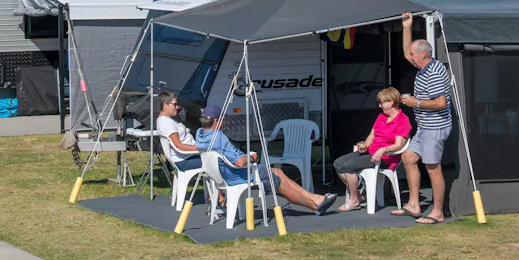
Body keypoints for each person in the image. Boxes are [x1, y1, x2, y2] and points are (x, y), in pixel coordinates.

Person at [194, 104, 337, 215]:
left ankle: (316, 198)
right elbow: (239, 162)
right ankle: (314, 206)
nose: (224, 122)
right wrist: (251, 157)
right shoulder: (218, 137)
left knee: (277, 172)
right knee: (280, 185)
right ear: (217, 120)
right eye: (223, 119)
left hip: (223, 174)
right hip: (238, 174)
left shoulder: (200, 134)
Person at [396, 12, 453, 224]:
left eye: (413, 53)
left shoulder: (434, 72)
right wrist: (407, 27)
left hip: (435, 128)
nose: (409, 56)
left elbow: (440, 103)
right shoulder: (423, 67)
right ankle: (413, 204)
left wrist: (415, 103)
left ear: (423, 54)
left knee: (432, 167)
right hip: (424, 127)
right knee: (409, 158)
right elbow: (405, 51)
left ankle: (438, 212)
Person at [333, 87, 412, 212]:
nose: (380, 106)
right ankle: (358, 194)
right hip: (371, 153)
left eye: (382, 102)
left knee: (349, 166)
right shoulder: (381, 117)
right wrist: (365, 145)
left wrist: (383, 150)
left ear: (391, 102)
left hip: (385, 158)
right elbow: (372, 135)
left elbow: (399, 145)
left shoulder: (403, 120)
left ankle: (354, 200)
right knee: (338, 163)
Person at [154, 90, 202, 173]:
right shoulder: (166, 122)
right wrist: (202, 148)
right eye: (175, 104)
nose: (177, 107)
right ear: (165, 105)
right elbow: (179, 146)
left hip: (187, 157)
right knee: (219, 161)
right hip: (184, 160)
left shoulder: (166, 119)